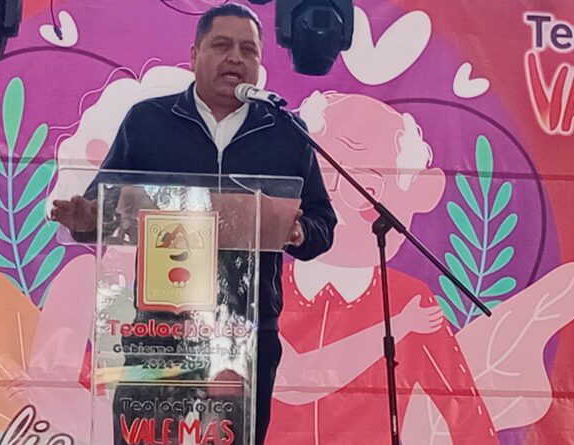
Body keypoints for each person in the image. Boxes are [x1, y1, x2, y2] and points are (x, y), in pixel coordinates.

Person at [50, 4, 336, 445]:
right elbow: (100, 204)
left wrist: (297, 232)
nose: (236, 58)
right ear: (194, 55)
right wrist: (86, 220)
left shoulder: (285, 131)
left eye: (248, 50)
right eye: (221, 45)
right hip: (159, 329)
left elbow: (322, 224)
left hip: (247, 332)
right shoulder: (148, 122)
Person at [268, 92, 499, 443]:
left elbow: (464, 411)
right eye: (324, 182)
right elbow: (291, 379)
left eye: (365, 186)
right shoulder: (267, 284)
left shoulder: (409, 298)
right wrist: (402, 325)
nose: (337, 207)